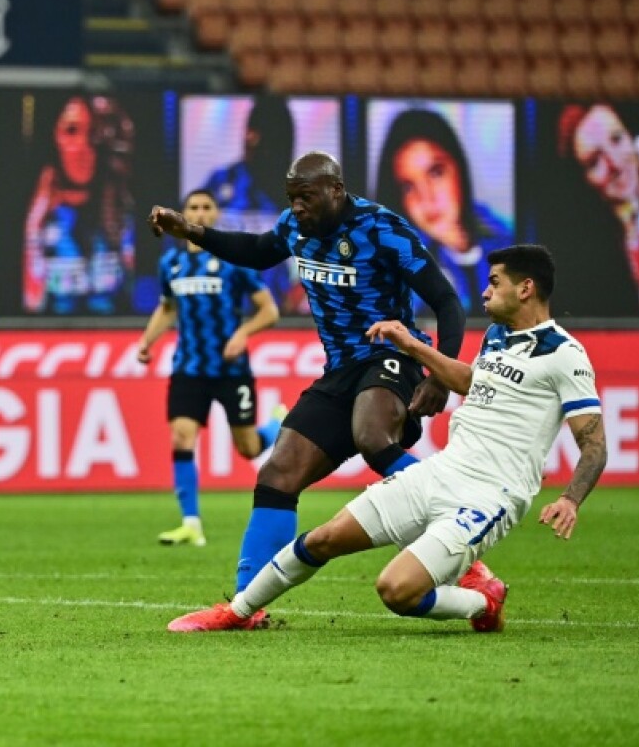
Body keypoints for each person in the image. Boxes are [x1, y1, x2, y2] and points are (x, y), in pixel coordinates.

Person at [168, 244, 607, 634]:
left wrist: (569, 499)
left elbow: (594, 443)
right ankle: (237, 611)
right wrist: (411, 344)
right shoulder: (496, 337)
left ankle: (482, 600)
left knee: (396, 590)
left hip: (489, 496)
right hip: (441, 472)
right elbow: (472, 381)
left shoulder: (564, 354)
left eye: (495, 283)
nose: (486, 291)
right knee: (323, 539)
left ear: (526, 288)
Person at [148, 151, 466, 628]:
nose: (297, 207)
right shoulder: (293, 227)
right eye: (291, 198)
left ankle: (465, 544)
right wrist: (191, 231)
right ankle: (243, 607)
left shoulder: (382, 227)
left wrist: (441, 374)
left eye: (307, 198)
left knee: (371, 435)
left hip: (392, 353)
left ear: (336, 190)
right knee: (277, 473)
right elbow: (257, 251)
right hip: (340, 370)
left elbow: (446, 299)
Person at [138, 189, 287, 547]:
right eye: (193, 207)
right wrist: (147, 342)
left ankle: (276, 425)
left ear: (216, 214)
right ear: (183, 213)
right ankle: (191, 523)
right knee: (181, 436)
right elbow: (168, 307)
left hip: (231, 370)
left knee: (249, 448)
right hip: (189, 367)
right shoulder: (171, 264)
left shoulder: (234, 262)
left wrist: (242, 333)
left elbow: (270, 310)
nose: (200, 213)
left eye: (206, 207)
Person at [375, 108, 514, 315]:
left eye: (436, 173)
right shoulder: (404, 275)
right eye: (409, 186)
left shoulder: (509, 244)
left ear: (460, 169)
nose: (426, 198)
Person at [24, 95, 136, 315]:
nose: (84, 146)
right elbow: (30, 302)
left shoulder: (120, 211)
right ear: (53, 136)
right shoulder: (39, 217)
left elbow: (134, 294)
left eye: (94, 133)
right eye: (72, 131)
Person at [198, 94, 300, 310]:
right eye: (250, 131)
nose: (250, 139)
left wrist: (297, 298)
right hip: (221, 309)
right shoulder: (220, 183)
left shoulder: (298, 194)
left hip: (276, 315)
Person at [551, 103, 639, 315]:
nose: (614, 163)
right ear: (583, 182)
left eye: (617, 139)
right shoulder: (591, 254)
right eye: (595, 162)